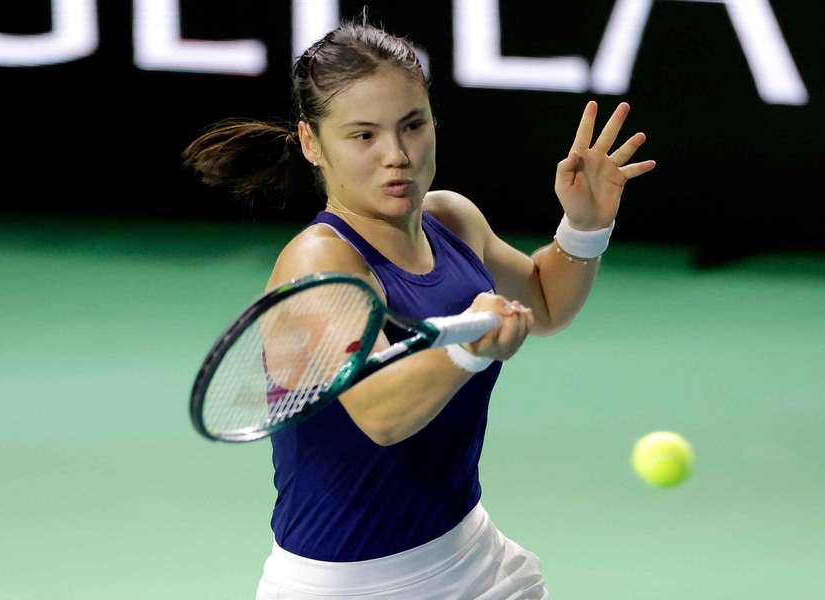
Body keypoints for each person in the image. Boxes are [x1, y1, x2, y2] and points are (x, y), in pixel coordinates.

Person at [181, 10, 654, 600]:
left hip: (474, 557)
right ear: (311, 142)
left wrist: (584, 228)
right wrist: (467, 353)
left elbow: (546, 302)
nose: (397, 155)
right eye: (364, 135)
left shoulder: (451, 217)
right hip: (354, 587)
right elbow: (380, 413)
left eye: (412, 125)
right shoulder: (318, 262)